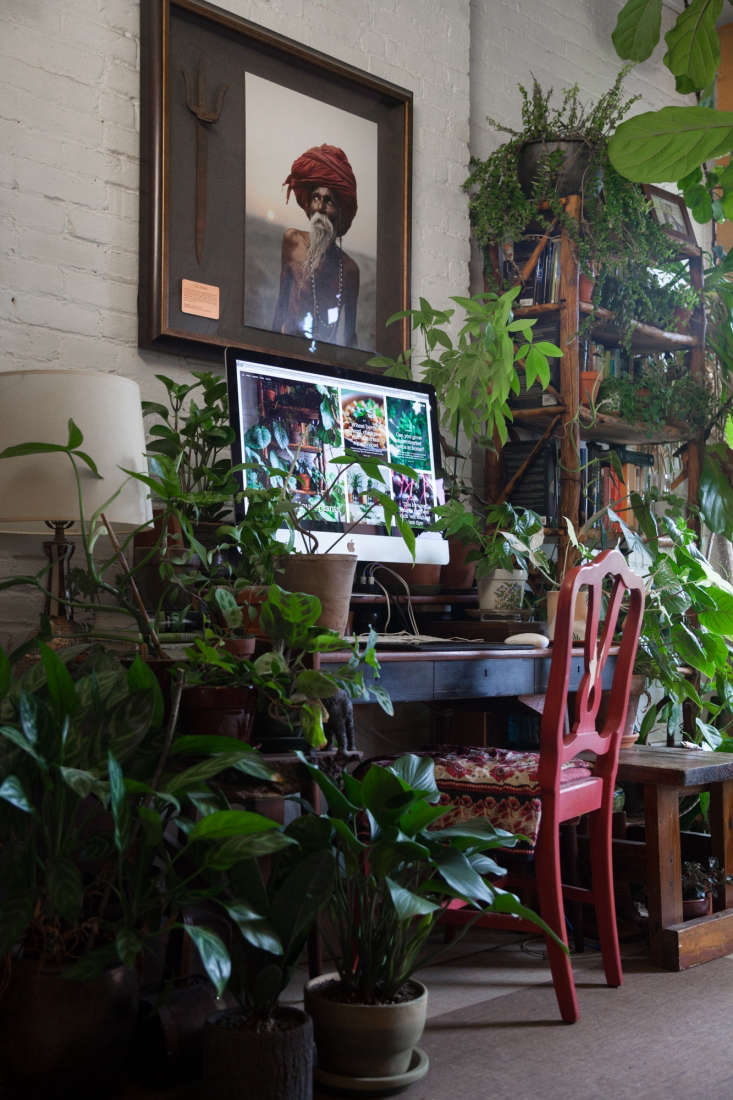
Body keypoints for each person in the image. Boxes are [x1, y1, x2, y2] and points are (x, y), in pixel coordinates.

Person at [272, 143, 360, 347]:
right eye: (315, 198)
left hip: (324, 364)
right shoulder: (292, 240)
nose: (320, 207)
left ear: (340, 211)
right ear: (308, 203)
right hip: (287, 353)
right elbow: (281, 306)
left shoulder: (349, 270)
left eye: (328, 201)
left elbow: (349, 338)